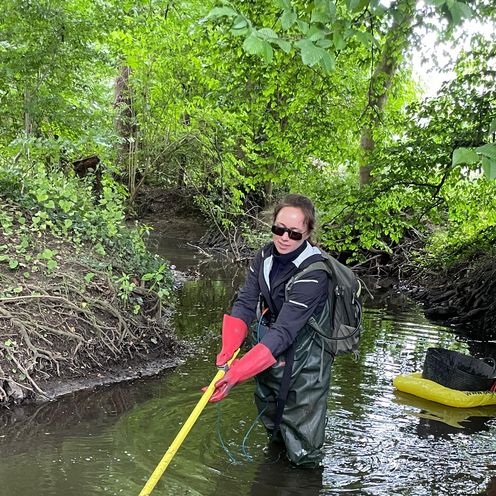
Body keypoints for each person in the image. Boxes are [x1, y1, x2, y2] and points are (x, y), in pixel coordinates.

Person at [209, 193, 333, 467]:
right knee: (272, 420)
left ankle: (304, 482)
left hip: (306, 359)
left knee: (303, 444)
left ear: (309, 232)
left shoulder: (314, 273)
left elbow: (285, 331)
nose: (284, 238)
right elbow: (244, 302)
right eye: (279, 229)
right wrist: (228, 351)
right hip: (271, 349)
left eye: (294, 233)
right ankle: (273, 474)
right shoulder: (264, 255)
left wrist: (238, 373)